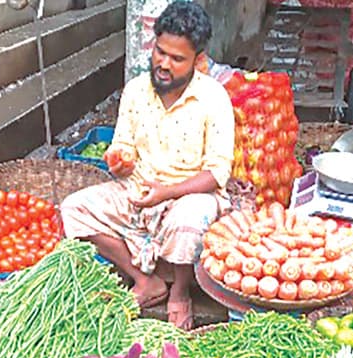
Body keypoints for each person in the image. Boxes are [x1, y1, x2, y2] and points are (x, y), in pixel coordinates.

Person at [60, 0, 234, 330]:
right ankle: (144, 279)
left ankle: (179, 292)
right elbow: (122, 146)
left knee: (187, 221)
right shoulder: (137, 90)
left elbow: (217, 173)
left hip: (189, 195)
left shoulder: (214, 98)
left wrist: (165, 193)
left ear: (198, 61)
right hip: (139, 191)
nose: (163, 64)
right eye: (160, 52)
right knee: (74, 208)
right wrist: (118, 162)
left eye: (177, 58)